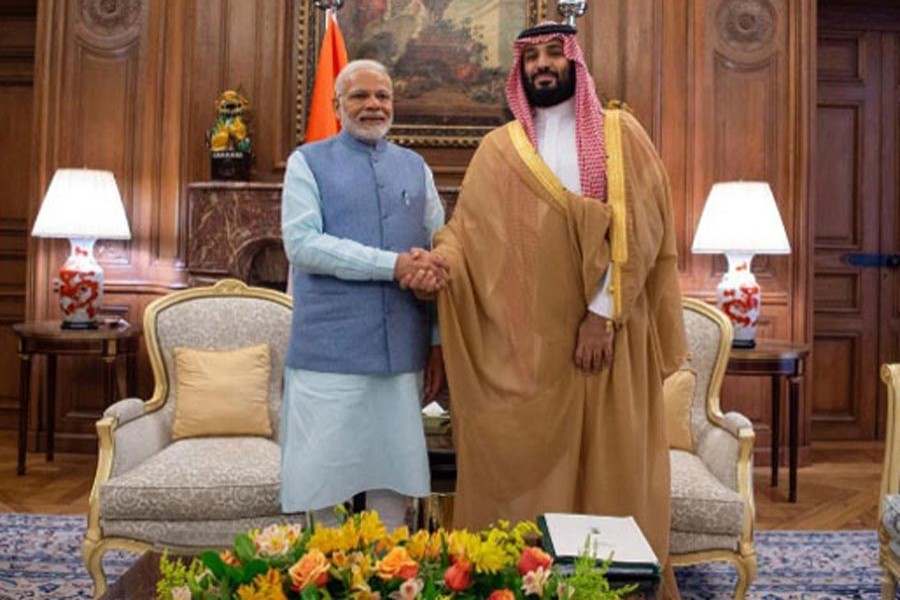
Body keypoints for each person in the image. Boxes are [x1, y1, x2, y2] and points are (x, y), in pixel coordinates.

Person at [431, 21, 687, 596]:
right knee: (526, 472)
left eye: (554, 54)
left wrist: (601, 315)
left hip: (610, 342)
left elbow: (640, 231)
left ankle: (610, 587)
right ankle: (525, 583)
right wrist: (439, 262)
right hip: (533, 349)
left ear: (575, 62)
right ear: (519, 71)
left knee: (612, 467)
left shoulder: (621, 135)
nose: (543, 65)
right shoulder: (500, 150)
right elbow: (467, 232)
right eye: (532, 59)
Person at [280, 59, 448, 530]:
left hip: (402, 357)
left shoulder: (415, 167)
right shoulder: (305, 162)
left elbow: (438, 253)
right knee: (323, 487)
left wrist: (436, 341)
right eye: (360, 96)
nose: (373, 104)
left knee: (393, 488)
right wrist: (392, 265)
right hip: (327, 355)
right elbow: (303, 244)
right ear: (337, 106)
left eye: (383, 96)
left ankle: (390, 580)